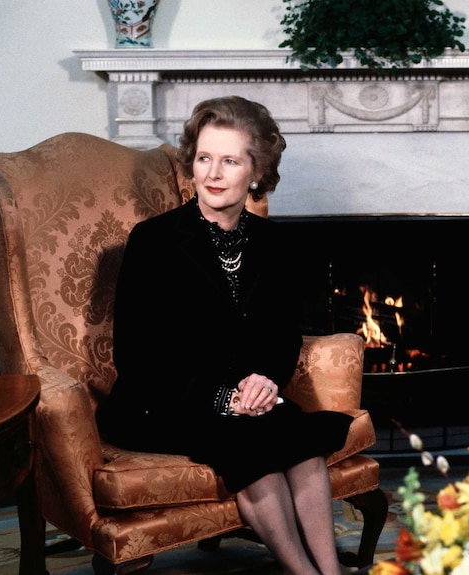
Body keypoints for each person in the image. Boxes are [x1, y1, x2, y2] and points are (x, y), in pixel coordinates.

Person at [100, 96, 352, 575]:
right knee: (249, 447)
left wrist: (266, 381)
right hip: (162, 401)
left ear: (256, 172)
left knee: (301, 439)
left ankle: (331, 573)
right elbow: (136, 356)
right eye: (204, 158)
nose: (213, 173)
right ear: (191, 163)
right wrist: (221, 398)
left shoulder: (275, 244)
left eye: (230, 160)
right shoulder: (152, 241)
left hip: (246, 398)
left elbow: (282, 335)